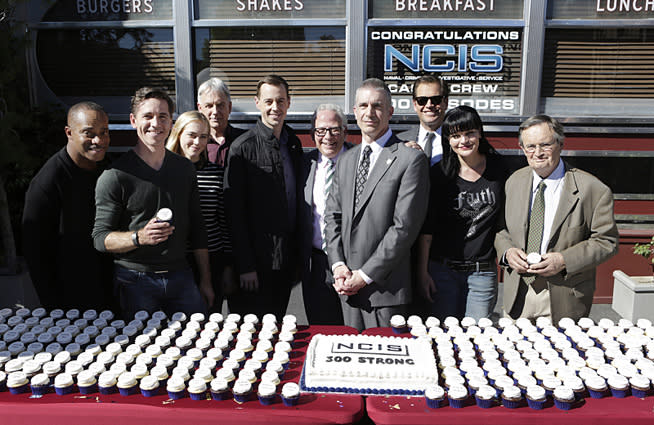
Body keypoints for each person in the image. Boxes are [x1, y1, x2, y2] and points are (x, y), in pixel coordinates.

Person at [92, 87, 213, 319]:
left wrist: (205, 281)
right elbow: (100, 238)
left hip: (182, 277)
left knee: (197, 348)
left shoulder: (185, 168)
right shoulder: (115, 175)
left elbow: (198, 228)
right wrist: (138, 237)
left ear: (171, 122)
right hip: (135, 281)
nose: (155, 123)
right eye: (147, 116)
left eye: (162, 116)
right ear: (133, 120)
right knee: (144, 352)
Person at [323, 78, 429, 331]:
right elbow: (332, 217)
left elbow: (404, 228)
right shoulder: (346, 159)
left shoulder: (410, 159)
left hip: (385, 291)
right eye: (363, 105)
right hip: (346, 287)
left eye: (377, 106)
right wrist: (339, 266)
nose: (369, 112)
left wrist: (364, 275)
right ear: (355, 111)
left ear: (390, 112)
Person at [495, 115, 619, 322]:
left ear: (561, 144)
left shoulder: (593, 189)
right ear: (522, 148)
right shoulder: (513, 182)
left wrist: (564, 260)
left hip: (563, 296)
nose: (538, 153)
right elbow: (502, 230)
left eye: (545, 145)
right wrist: (507, 252)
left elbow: (607, 241)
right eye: (530, 146)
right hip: (518, 294)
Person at [416, 106, 509, 321]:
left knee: (476, 336)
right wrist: (422, 273)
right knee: (443, 335)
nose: (463, 141)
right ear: (448, 140)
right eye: (456, 136)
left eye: (469, 133)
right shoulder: (439, 174)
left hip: (482, 271)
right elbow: (427, 230)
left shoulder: (499, 168)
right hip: (442, 270)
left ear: (480, 133)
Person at [224, 75, 303, 319]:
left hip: (286, 261)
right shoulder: (242, 147)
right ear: (257, 103)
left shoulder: (294, 143)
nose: (274, 107)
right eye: (268, 101)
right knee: (250, 337)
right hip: (255, 266)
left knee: (278, 331)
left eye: (280, 101)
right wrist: (246, 266)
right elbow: (234, 212)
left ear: (289, 103)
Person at [22, 101, 113, 310]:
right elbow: (35, 253)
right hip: (70, 300)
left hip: (109, 288)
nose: (98, 140)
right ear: (69, 132)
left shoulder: (107, 169)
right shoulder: (47, 182)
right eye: (88, 133)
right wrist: (54, 307)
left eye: (104, 132)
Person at [166, 111, 229, 314]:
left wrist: (229, 265)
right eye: (192, 135)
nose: (197, 142)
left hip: (212, 256)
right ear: (178, 134)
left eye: (203, 136)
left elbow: (224, 221)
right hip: (175, 260)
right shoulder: (162, 171)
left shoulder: (216, 173)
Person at [197, 78, 246, 310]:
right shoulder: (193, 145)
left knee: (244, 320)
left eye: (220, 105)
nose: (215, 111)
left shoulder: (246, 142)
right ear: (199, 108)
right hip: (204, 248)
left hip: (241, 245)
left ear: (230, 106)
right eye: (209, 106)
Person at [300, 104, 352, 325]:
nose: (328, 137)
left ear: (345, 131)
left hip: (352, 263)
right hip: (316, 264)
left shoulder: (359, 161)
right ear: (313, 134)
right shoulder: (305, 163)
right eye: (321, 131)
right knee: (320, 328)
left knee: (351, 329)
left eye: (334, 130)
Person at [397, 75, 449, 166]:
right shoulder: (398, 142)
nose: (429, 105)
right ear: (414, 104)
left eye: (436, 100)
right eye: (422, 100)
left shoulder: (458, 142)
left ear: (446, 102)